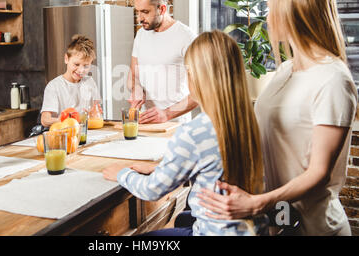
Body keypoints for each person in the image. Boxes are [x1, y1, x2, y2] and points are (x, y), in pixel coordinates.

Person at [197, 0, 358, 236]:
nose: (267, 18)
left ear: (296, 10)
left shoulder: (332, 80)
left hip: (315, 228)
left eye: (272, 8)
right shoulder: (285, 70)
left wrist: (256, 203)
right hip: (278, 221)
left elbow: (318, 173)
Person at [103, 30, 268, 236]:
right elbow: (212, 169)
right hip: (251, 231)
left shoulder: (195, 132)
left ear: (196, 76)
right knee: (181, 219)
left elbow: (152, 190)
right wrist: (162, 169)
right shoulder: (249, 120)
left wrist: (121, 173)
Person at [128, 0, 198, 124]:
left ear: (162, 9)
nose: (139, 18)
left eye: (145, 12)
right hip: (145, 123)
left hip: (175, 126)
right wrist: (137, 89)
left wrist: (166, 114)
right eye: (138, 12)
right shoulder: (141, 34)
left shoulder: (187, 37)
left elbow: (202, 91)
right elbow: (134, 74)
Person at [40, 34, 101, 127]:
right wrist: (61, 120)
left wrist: (95, 113)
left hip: (86, 134)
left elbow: (96, 112)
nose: (81, 70)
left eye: (86, 66)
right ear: (66, 59)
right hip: (63, 135)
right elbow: (45, 120)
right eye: (76, 64)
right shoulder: (54, 86)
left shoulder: (90, 82)